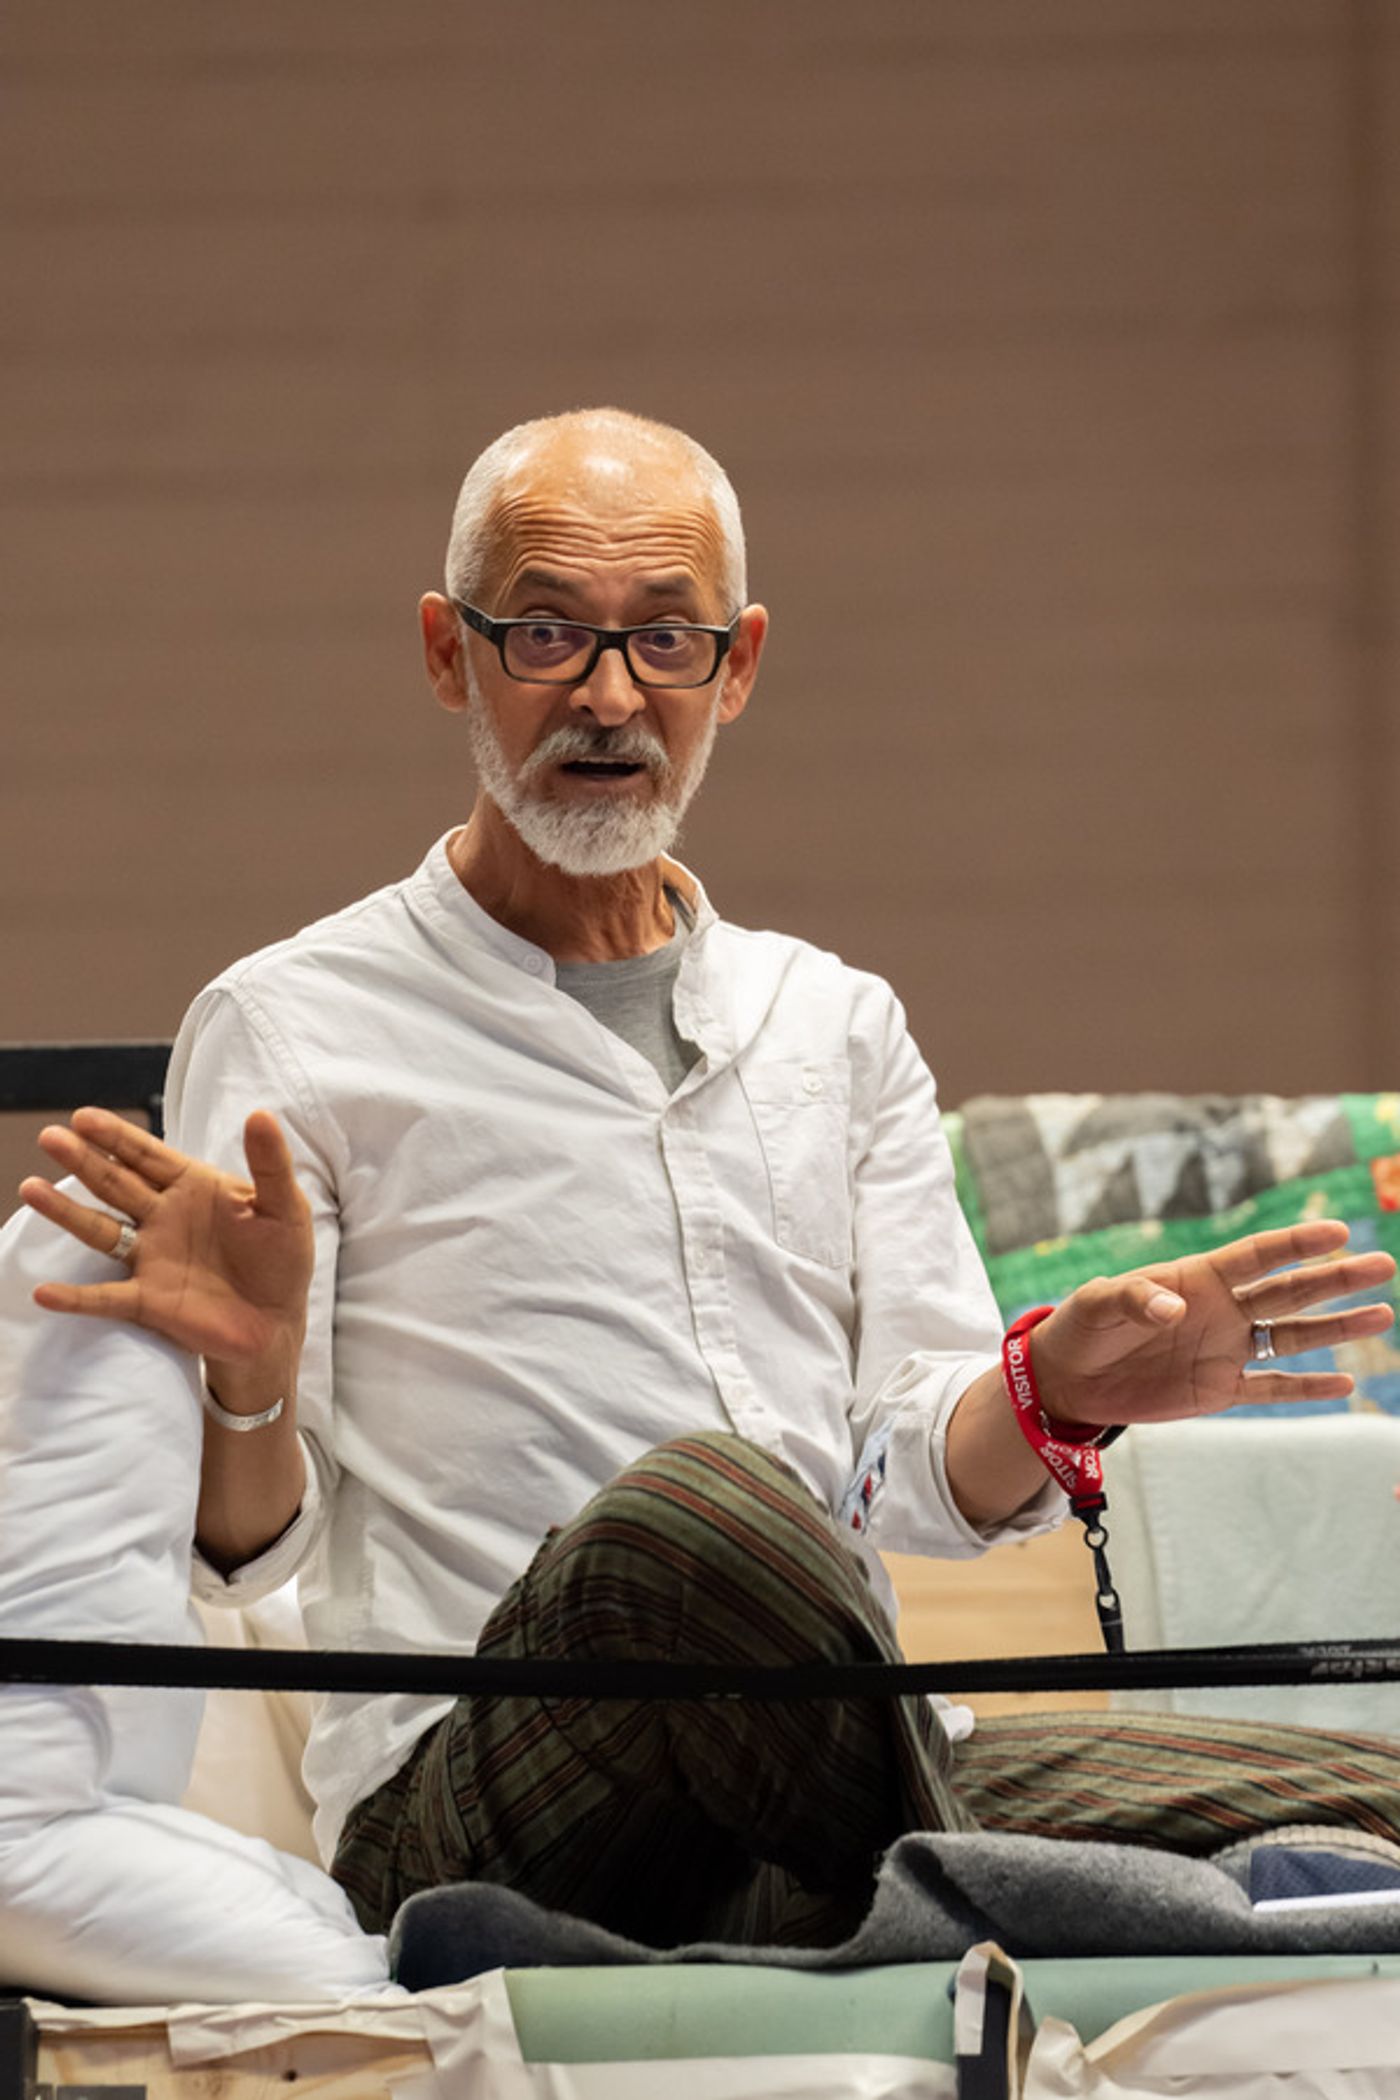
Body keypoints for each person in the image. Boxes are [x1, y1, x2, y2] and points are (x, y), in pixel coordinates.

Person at [19, 408, 1400, 1953]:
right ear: (446, 652)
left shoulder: (837, 1020)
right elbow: (248, 1549)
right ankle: (975, 1897)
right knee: (699, 1509)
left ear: (737, 666)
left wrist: (1051, 1394)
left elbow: (899, 1479)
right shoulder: (293, 1023)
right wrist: (255, 1377)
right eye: (547, 630)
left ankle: (903, 1898)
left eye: (665, 641)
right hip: (490, 1793)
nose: (610, 696)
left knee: (1365, 1786)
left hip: (819, 1749)